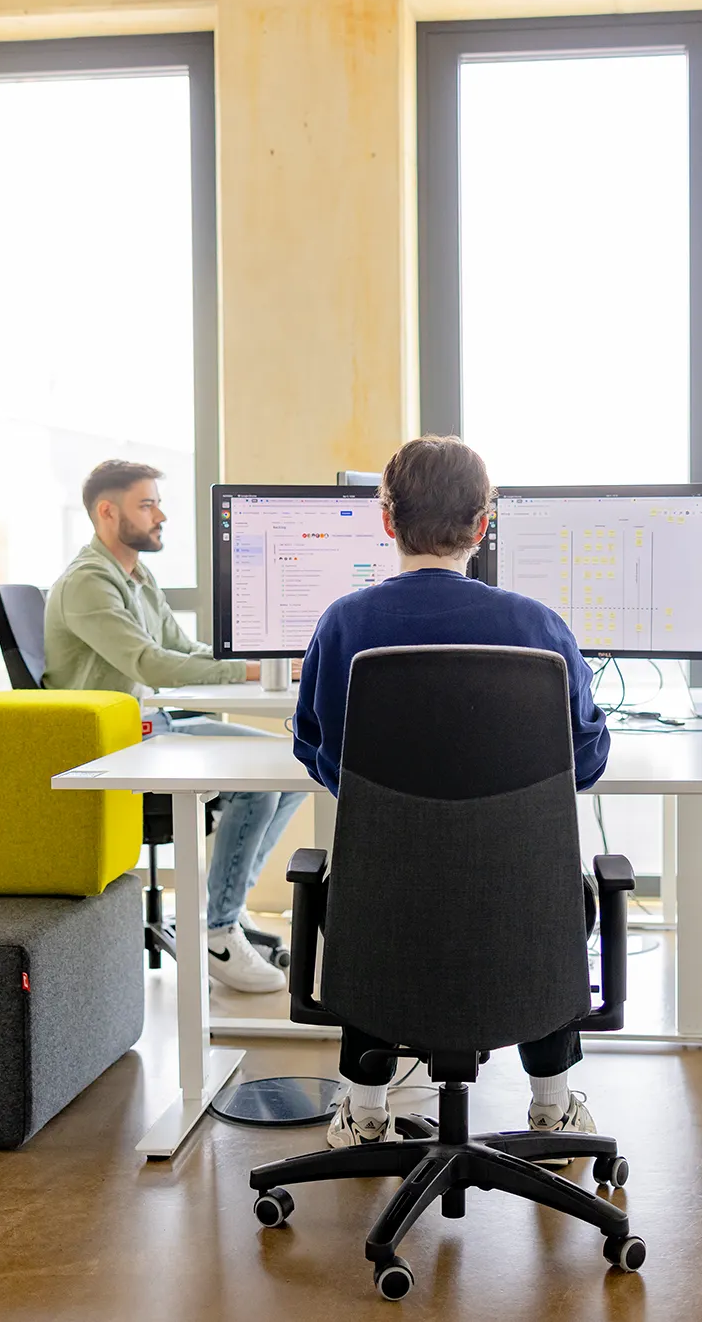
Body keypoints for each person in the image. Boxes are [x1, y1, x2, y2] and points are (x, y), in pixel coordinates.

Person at [292, 437, 611, 1152]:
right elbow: (586, 762)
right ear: (481, 526)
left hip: (381, 912)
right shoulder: (537, 626)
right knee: (547, 887)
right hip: (523, 911)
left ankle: (365, 1115)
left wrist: (402, 803)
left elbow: (317, 749)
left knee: (373, 886)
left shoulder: (344, 624)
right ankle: (552, 1106)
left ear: (387, 520)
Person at [44, 460, 306, 995]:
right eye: (147, 505)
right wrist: (252, 671)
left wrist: (256, 658)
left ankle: (226, 907)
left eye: (158, 504)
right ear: (107, 511)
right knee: (256, 781)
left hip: (148, 723)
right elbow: (153, 665)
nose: (160, 516)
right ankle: (218, 932)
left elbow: (183, 649)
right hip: (113, 742)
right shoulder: (88, 583)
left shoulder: (136, 576)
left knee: (296, 762)